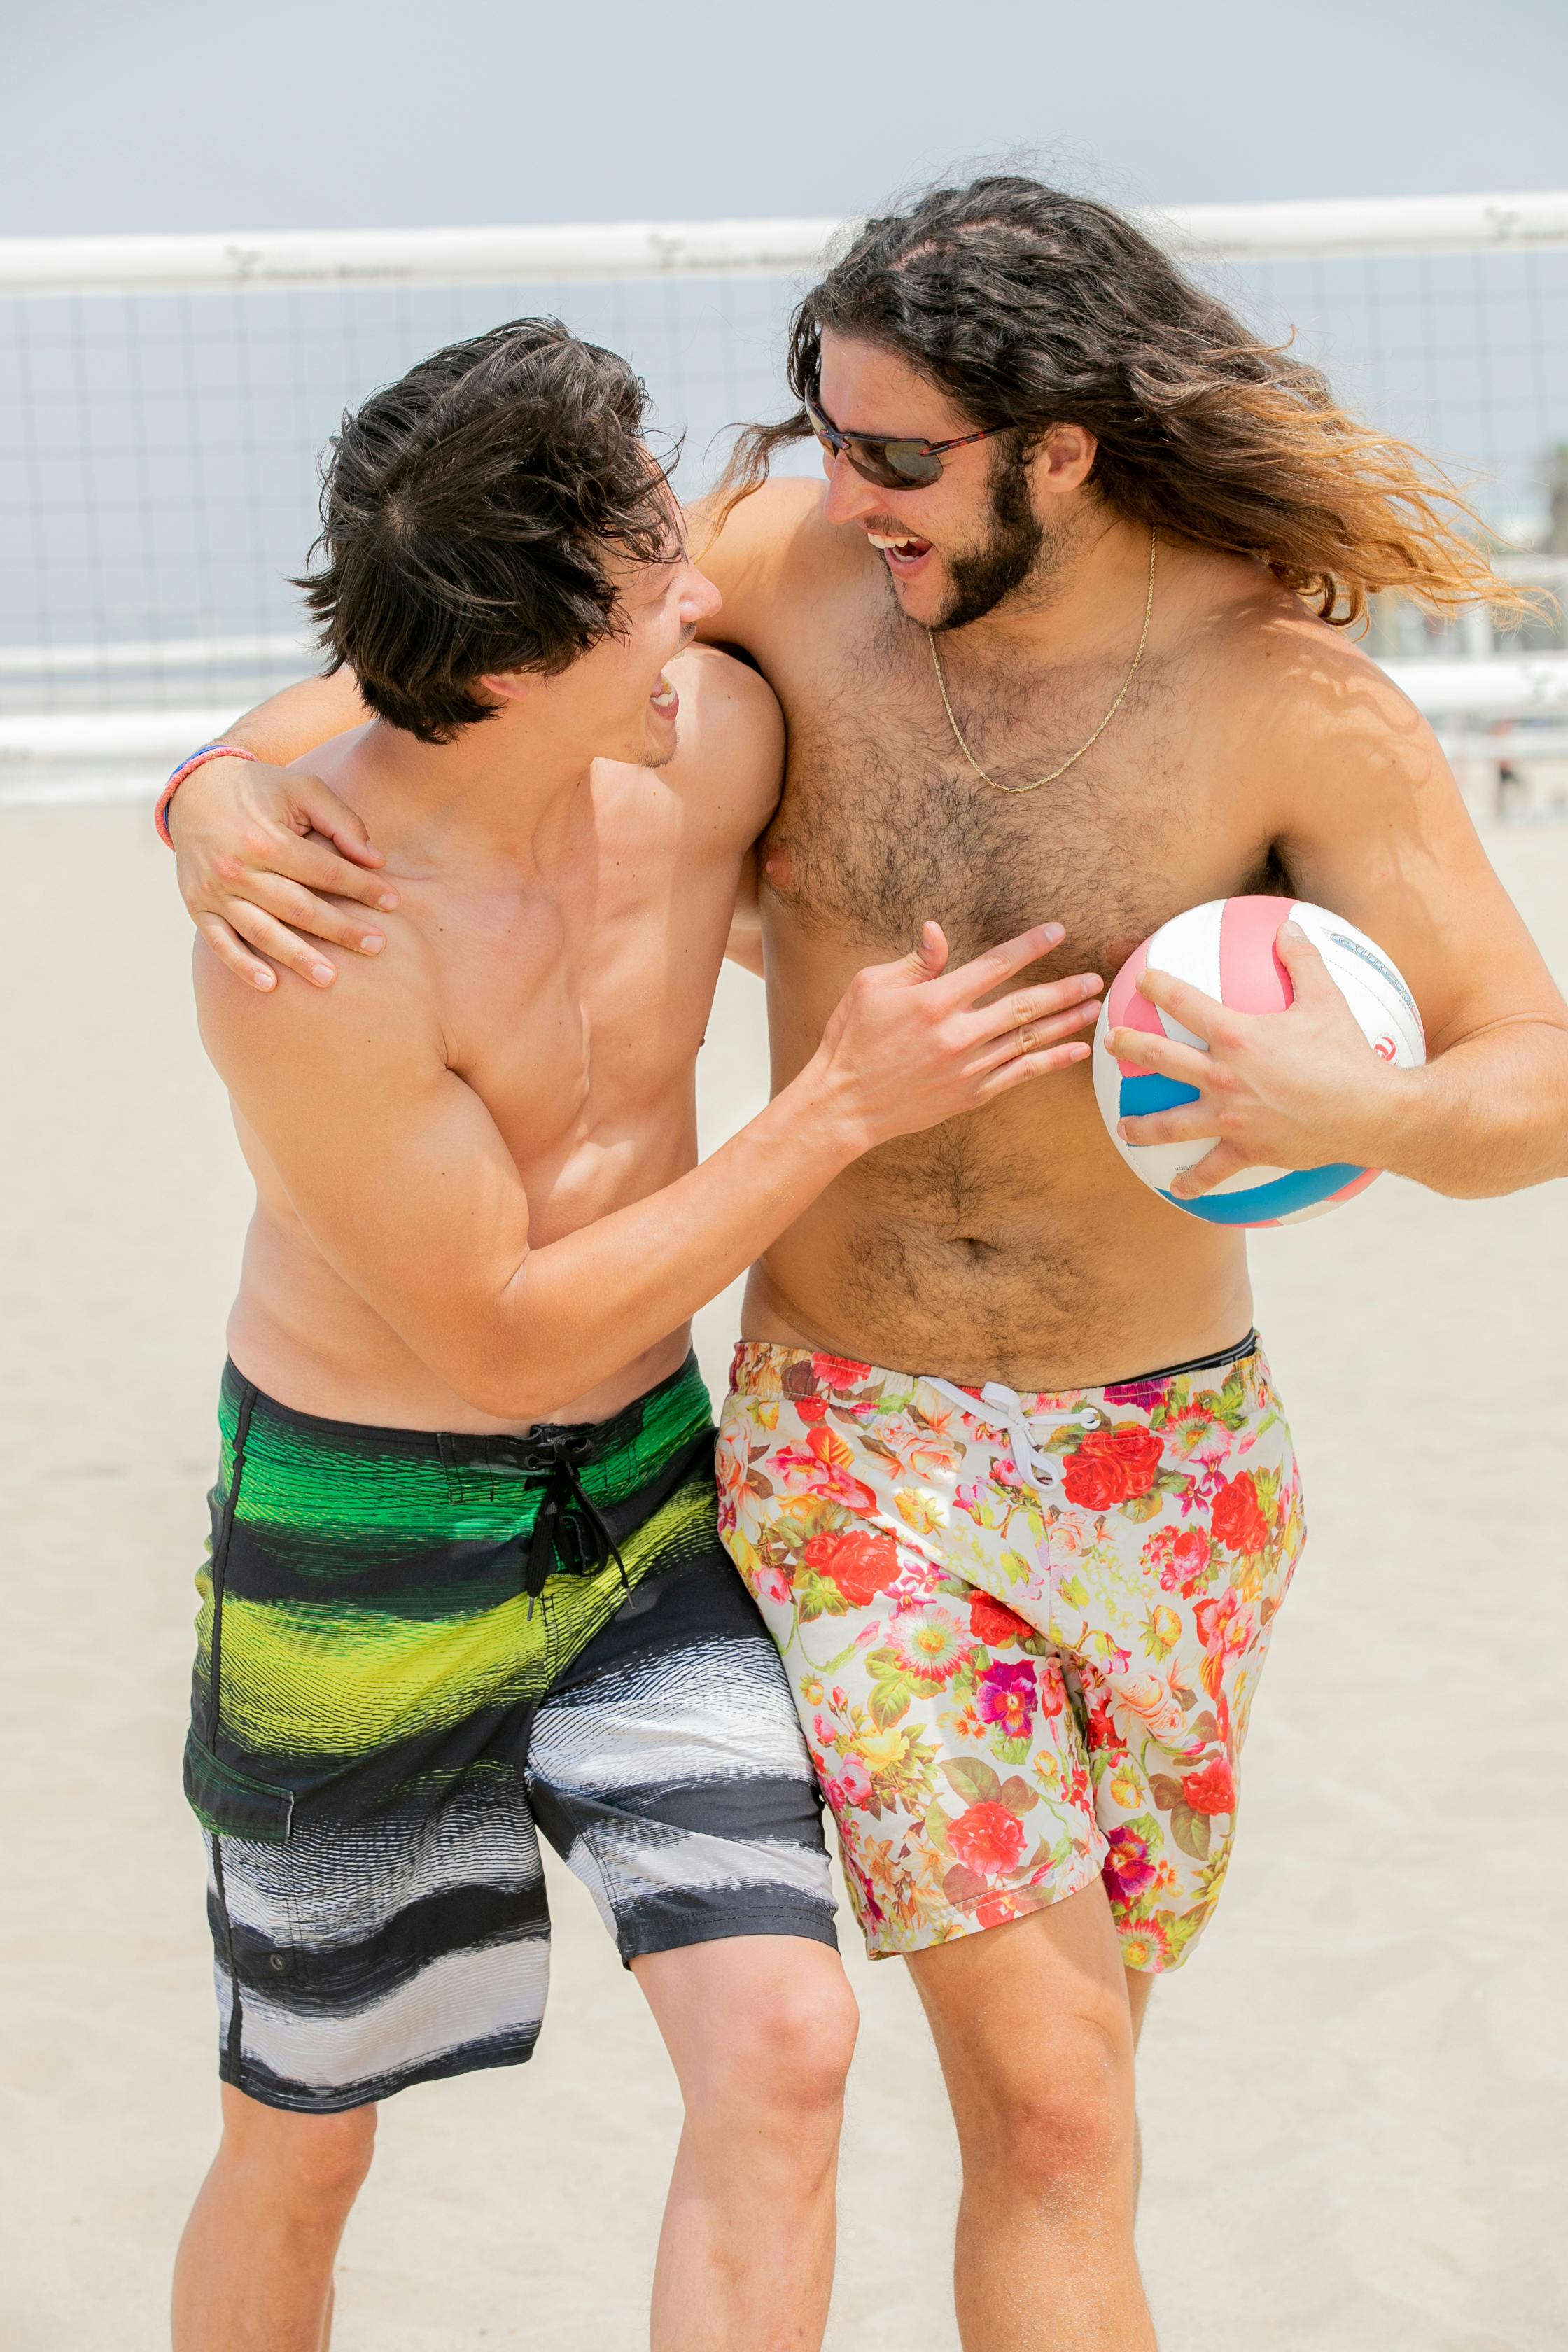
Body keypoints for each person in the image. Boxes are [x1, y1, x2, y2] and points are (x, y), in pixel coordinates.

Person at [162, 180, 1568, 2351]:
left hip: (1172, 1467)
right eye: (823, 431)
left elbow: (1531, 1079)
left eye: (898, 454)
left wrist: (1363, 1110)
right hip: (850, 1458)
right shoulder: (796, 576)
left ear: (1064, 448)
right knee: (1050, 2111)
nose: (840, 493)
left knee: (1073, 2095)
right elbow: (421, 703)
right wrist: (207, 809)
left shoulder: (1288, 704)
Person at [165, 312, 1102, 2352]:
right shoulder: (323, 945)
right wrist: (839, 1104)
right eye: (646, 581)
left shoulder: (702, 736)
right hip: (363, 1544)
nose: (701, 602)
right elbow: (503, 1335)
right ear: (504, 664)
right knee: (305, 2129)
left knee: (783, 2044)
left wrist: (191, 787)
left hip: (643, 1513)